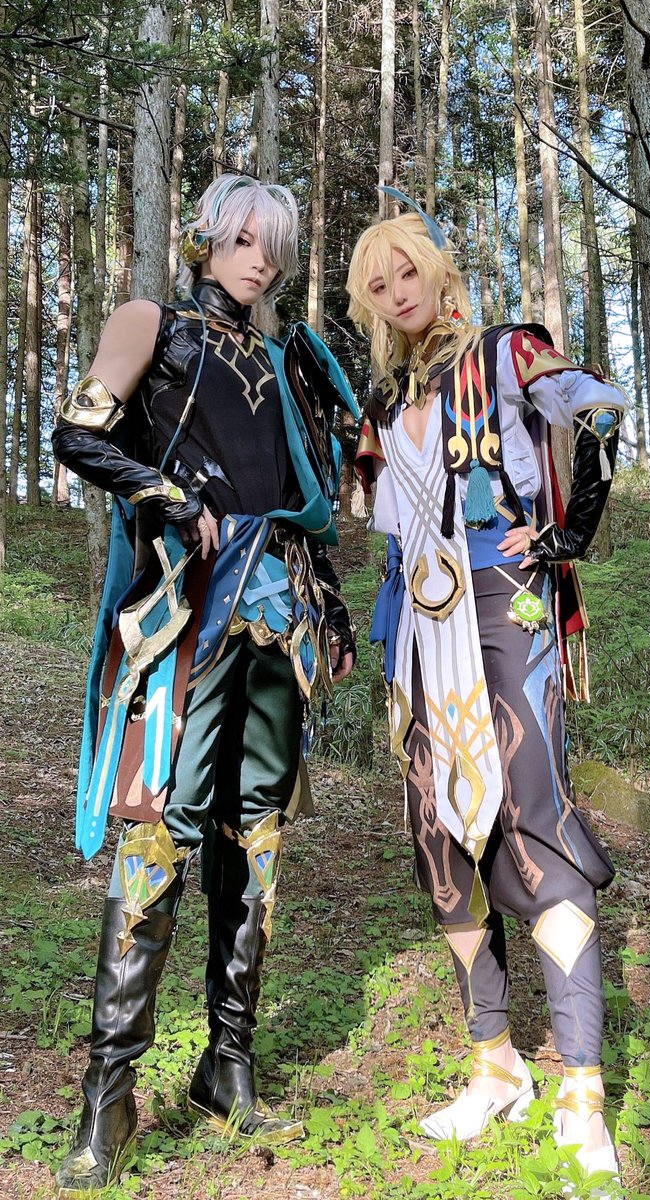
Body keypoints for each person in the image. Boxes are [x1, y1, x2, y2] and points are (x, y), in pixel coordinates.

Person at [52, 172, 359, 1197]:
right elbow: (77, 434)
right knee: (158, 829)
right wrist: (174, 497)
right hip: (183, 613)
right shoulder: (154, 324)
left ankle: (227, 1067)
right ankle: (108, 1098)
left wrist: (334, 610)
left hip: (280, 621)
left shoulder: (280, 359)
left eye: (274, 244)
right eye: (242, 238)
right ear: (206, 239)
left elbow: (302, 502)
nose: (258, 259)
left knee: (255, 833)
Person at [347, 193, 624, 1198]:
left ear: (435, 269)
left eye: (405, 271)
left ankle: (582, 1092)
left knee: (534, 820)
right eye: (377, 285)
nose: (396, 292)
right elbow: (380, 520)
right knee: (439, 834)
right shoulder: (385, 401)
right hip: (418, 628)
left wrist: (566, 533)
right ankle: (496, 1063)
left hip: (509, 610)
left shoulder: (508, 352)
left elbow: (599, 407)